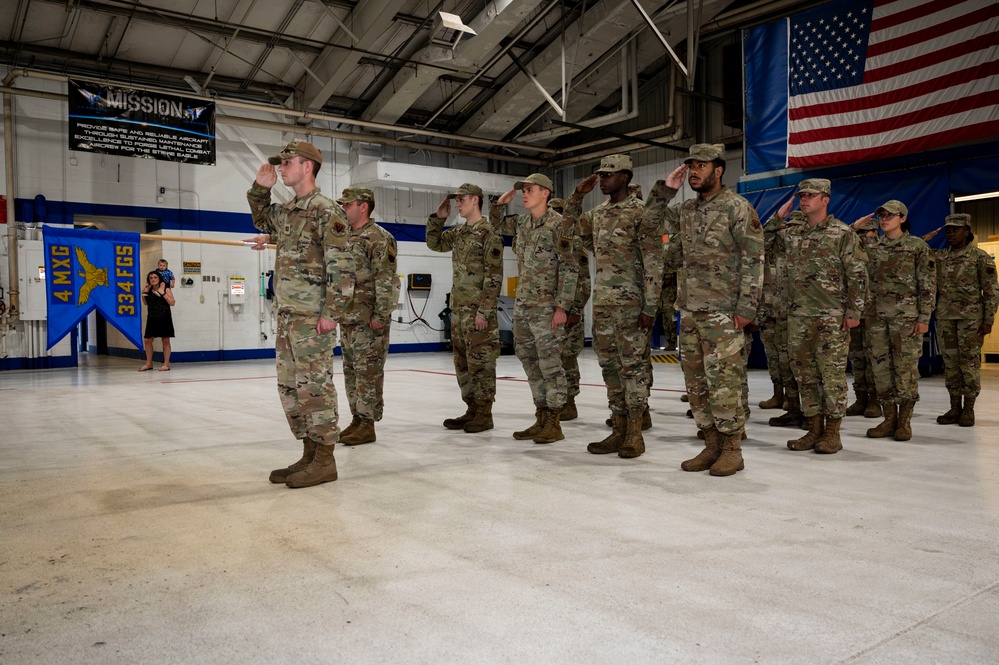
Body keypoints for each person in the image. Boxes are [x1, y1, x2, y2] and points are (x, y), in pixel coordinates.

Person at [649, 144, 763, 476]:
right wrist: (665, 191)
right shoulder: (685, 210)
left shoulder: (737, 208)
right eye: (691, 166)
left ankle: (732, 449)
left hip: (723, 313)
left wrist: (746, 308)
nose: (695, 171)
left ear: (718, 169)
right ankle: (711, 444)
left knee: (724, 382)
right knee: (696, 384)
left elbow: (755, 260)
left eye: (702, 165)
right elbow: (649, 225)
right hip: (690, 310)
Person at [246, 140, 349, 488]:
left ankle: (325, 460)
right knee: (291, 388)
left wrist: (331, 313)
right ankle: (309, 453)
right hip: (288, 315)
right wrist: (261, 189)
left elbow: (342, 267)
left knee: (315, 388)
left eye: (288, 162)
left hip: (312, 317)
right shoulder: (289, 210)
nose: (282, 167)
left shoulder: (326, 210)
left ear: (308, 166)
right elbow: (262, 218)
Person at [564, 154, 662, 459]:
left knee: (632, 368)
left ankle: (634, 432)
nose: (603, 179)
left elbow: (654, 261)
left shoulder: (640, 212)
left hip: (632, 305)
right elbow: (567, 231)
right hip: (604, 305)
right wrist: (577, 195)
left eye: (609, 174)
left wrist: (651, 307)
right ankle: (617, 429)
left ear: (625, 177)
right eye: (600, 175)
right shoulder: (597, 215)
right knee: (610, 369)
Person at [491, 174, 579, 444]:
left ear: (545, 194)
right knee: (529, 362)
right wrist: (498, 205)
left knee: (551, 365)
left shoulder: (560, 225)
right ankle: (541, 416)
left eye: (530, 190)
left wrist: (562, 306)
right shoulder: (523, 224)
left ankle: (554, 421)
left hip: (547, 308)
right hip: (524, 306)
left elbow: (570, 267)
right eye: (523, 191)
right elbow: (495, 226)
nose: (525, 194)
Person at [783, 179, 867, 454]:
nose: (804, 199)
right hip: (799, 317)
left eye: (810, 195)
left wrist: (854, 312)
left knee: (831, 376)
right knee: (804, 376)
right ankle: (813, 428)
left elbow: (857, 275)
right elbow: (764, 240)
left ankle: (833, 432)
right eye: (801, 195)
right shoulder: (793, 234)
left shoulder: (842, 233)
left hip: (831, 317)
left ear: (825, 199)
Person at [427, 183, 504, 433]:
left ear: (475, 200)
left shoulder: (488, 233)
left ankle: (484, 413)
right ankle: (471, 409)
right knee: (463, 364)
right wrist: (438, 218)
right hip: (459, 312)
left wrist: (484, 312)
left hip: (478, 314)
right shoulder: (459, 233)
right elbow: (434, 244)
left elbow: (494, 277)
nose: (457, 204)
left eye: (461, 200)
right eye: (456, 200)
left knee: (481, 363)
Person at [863, 200, 936, 441]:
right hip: (876, 319)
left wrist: (925, 317)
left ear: (902, 219)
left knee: (905, 370)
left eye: (890, 215)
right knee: (881, 370)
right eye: (882, 215)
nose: (884, 219)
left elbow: (927, 283)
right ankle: (889, 419)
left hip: (906, 319)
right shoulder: (873, 246)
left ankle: (904, 421)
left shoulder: (916, 246)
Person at [334, 187, 401, 445]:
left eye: (348, 204)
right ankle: (357, 419)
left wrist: (381, 315)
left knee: (369, 372)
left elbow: (386, 279)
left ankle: (368, 423)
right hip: (348, 318)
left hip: (369, 318)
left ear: (363, 206)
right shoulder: (346, 236)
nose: (344, 209)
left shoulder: (379, 237)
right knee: (351, 371)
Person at [934, 213, 998, 426]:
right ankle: (954, 408)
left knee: (969, 364)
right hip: (945, 318)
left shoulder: (980, 257)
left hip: (971, 320)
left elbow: (991, 291)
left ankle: (969, 409)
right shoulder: (942, 257)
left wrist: (988, 319)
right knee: (951, 364)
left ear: (966, 232)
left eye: (955, 230)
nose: (950, 234)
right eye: (948, 230)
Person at [548, 197, 592, 422]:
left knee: (567, 358)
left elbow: (583, 281)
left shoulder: (575, 244)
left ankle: (570, 402)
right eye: (553, 212)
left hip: (570, 313)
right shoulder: (549, 244)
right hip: (551, 311)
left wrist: (574, 309)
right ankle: (555, 401)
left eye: (559, 212)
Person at [845, 214, 882, 419]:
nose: (863, 238)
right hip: (855, 312)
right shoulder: (851, 251)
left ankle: (875, 400)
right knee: (857, 358)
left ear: (876, 233)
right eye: (860, 234)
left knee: (874, 358)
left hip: (875, 314)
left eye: (866, 233)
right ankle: (861, 399)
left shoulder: (882, 249)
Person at [139, 270, 175, 371]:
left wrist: (162, 293)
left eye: (155, 277)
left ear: (159, 279)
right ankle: (149, 363)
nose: (153, 279)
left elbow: (172, 302)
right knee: (147, 340)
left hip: (164, 316)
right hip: (152, 317)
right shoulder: (148, 289)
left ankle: (166, 363)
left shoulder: (166, 289)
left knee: (165, 340)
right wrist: (144, 293)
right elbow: (145, 303)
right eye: (151, 278)